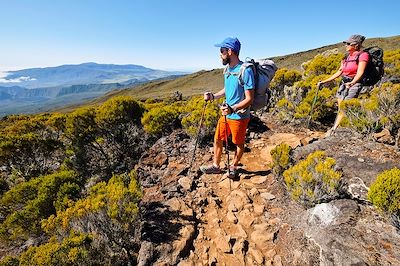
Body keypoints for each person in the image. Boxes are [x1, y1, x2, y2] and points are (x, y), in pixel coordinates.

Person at [199, 37, 255, 178]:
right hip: (226, 113)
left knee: (239, 143)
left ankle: (234, 166)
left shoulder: (245, 71)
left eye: (222, 50)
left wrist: (233, 109)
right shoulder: (227, 69)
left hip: (239, 116)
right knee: (218, 139)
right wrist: (213, 96)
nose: (220, 54)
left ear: (230, 51)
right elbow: (227, 89)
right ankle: (216, 166)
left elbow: (249, 98)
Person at [318, 34, 369, 137]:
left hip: (354, 84)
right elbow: (340, 71)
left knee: (345, 108)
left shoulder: (363, 55)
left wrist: (352, 82)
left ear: (355, 45)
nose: (346, 45)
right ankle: (337, 127)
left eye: (348, 44)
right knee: (340, 107)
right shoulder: (346, 57)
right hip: (343, 83)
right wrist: (324, 81)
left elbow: (360, 72)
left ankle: (334, 130)